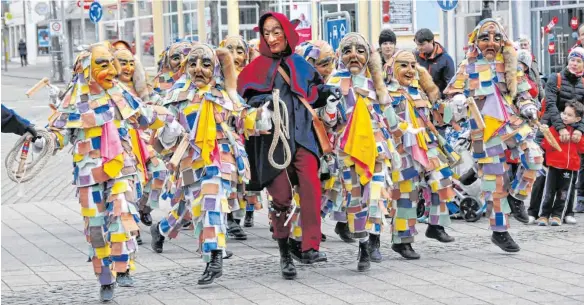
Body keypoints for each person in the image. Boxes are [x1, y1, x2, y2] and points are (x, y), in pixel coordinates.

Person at [40, 42, 176, 302]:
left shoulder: (119, 94)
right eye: (101, 64)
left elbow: (144, 115)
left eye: (109, 63)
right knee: (95, 227)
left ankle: (123, 268)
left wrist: (169, 124)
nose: (110, 69)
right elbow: (58, 133)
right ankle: (105, 279)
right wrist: (43, 141)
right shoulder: (75, 99)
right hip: (88, 173)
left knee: (122, 216)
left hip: (121, 168)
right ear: (86, 68)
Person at [237, 12, 340, 279]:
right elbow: (243, 102)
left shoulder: (303, 66)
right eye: (266, 33)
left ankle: (309, 247)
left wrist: (327, 97)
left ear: (286, 32)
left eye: (276, 31)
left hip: (304, 137)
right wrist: (259, 108)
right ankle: (284, 251)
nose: (271, 38)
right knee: (281, 198)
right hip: (275, 143)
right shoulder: (254, 69)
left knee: (311, 189)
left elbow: (313, 94)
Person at [149, 44, 249, 285]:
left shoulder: (225, 94)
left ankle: (214, 257)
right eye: (192, 64)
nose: (198, 69)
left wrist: (262, 118)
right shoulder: (176, 97)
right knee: (192, 207)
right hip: (190, 161)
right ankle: (161, 229)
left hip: (221, 159)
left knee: (213, 203)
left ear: (214, 67)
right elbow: (160, 137)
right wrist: (169, 133)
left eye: (205, 64)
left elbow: (243, 120)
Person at [444, 19, 543, 253]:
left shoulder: (510, 64)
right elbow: (450, 95)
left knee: (535, 156)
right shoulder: (467, 66)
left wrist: (528, 105)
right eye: (485, 38)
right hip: (482, 130)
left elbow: (523, 93)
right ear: (476, 41)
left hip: (511, 122)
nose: (491, 43)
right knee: (494, 182)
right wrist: (457, 100)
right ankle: (500, 232)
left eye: (496, 38)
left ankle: (517, 197)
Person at [385, 50, 458, 259]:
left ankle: (435, 226)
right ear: (392, 68)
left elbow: (439, 114)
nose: (409, 70)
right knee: (407, 194)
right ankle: (402, 240)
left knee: (443, 179)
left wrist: (457, 107)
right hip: (402, 148)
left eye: (412, 65)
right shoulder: (386, 94)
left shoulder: (421, 92)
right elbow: (384, 120)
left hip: (426, 144)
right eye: (403, 65)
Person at [541, 47, 584, 222]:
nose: (574, 63)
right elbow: (550, 105)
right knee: (547, 173)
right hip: (552, 129)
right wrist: (560, 128)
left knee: (570, 170)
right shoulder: (555, 78)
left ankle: (566, 212)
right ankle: (539, 211)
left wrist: (580, 129)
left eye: (579, 60)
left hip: (574, 129)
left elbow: (583, 111)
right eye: (572, 59)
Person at [536, 101, 584, 226]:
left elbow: (582, 149)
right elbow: (545, 145)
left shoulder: (578, 132)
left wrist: (578, 139)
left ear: (578, 119)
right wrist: (558, 139)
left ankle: (558, 216)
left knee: (564, 193)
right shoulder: (555, 128)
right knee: (549, 191)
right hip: (553, 166)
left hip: (570, 168)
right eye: (564, 113)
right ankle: (543, 215)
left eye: (569, 115)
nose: (565, 116)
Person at [414, 28, 454, 99]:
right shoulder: (415, 56)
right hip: (419, 99)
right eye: (417, 45)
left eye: (422, 44)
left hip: (439, 100)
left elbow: (450, 85)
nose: (419, 48)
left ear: (431, 41)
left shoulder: (446, 59)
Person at [518, 36, 544, 102]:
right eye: (521, 45)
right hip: (522, 96)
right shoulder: (515, 60)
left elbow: (538, 81)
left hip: (535, 96)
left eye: (525, 44)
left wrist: (543, 98)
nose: (523, 46)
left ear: (529, 46)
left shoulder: (533, 61)